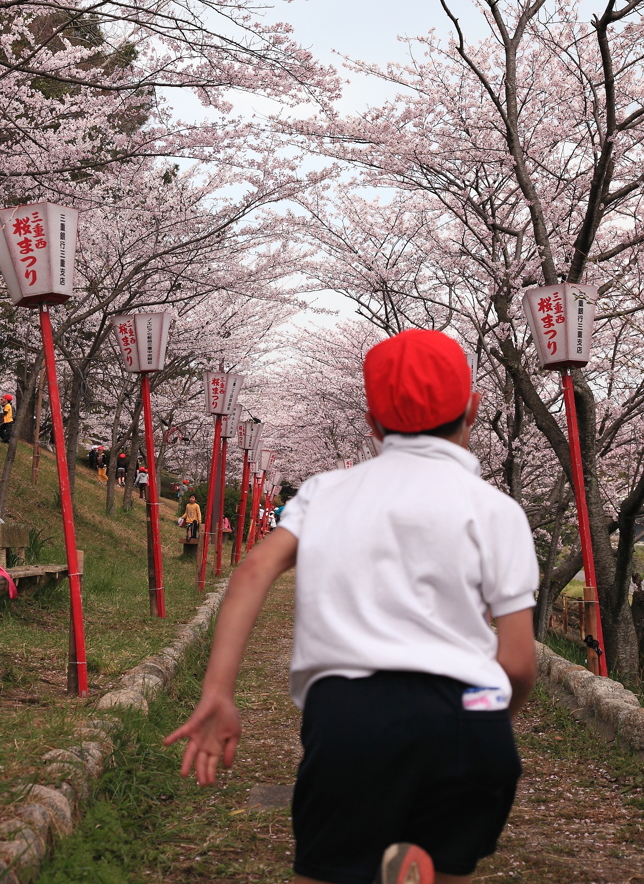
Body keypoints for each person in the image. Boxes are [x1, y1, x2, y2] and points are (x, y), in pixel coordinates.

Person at [165, 330, 539, 884]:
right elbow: (516, 663)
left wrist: (218, 690)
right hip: (469, 718)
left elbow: (252, 572)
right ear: (474, 410)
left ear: (371, 421)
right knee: (448, 867)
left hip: (352, 717)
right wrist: (483, 721)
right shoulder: (498, 510)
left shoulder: (325, 493)